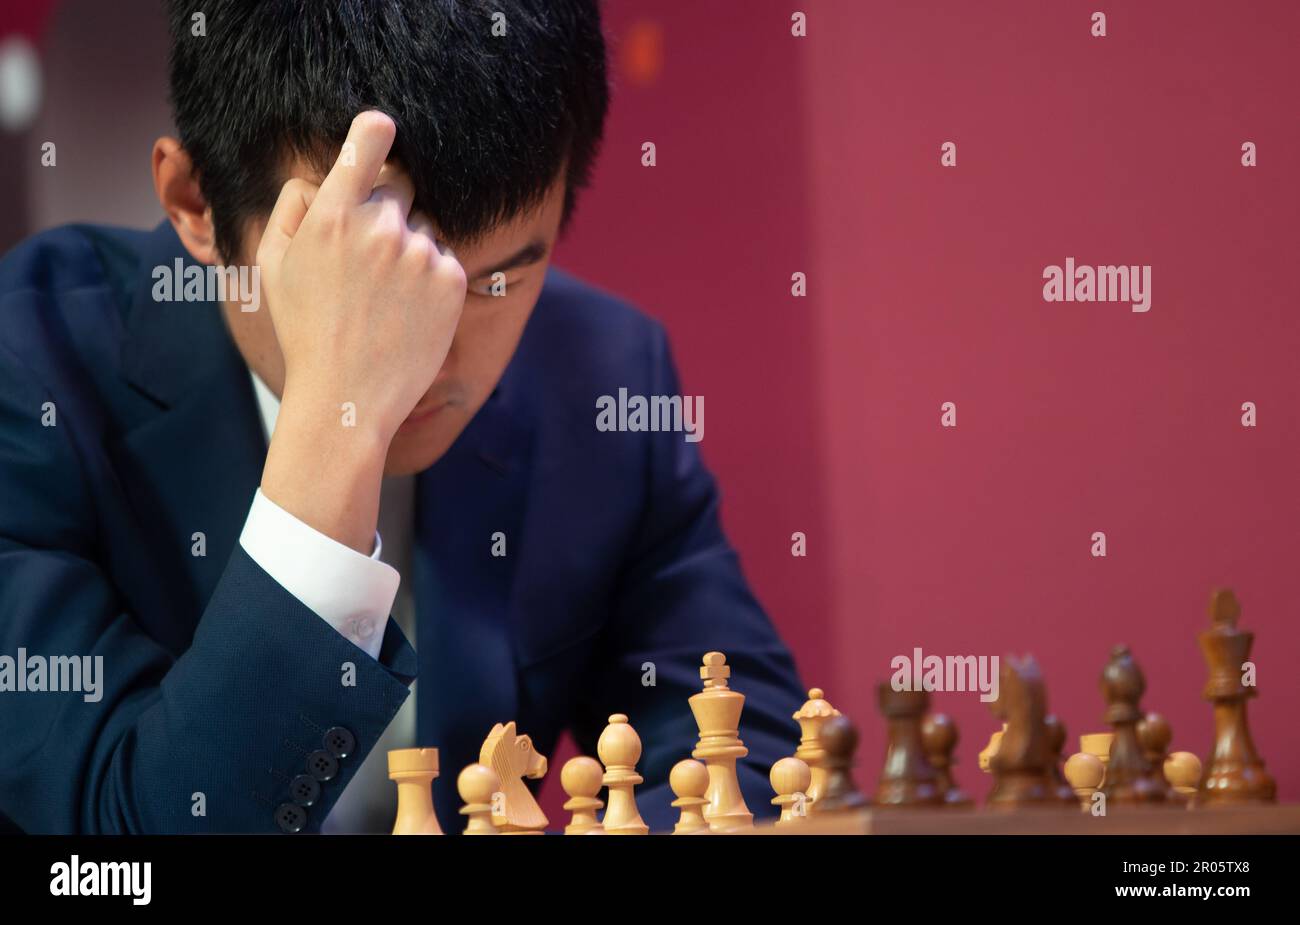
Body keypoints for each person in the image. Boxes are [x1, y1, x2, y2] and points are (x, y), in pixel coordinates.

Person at [0, 0, 802, 834]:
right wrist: (339, 428)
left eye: (494, 282)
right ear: (195, 201)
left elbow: (744, 750)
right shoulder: (30, 370)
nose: (429, 352)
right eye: (360, 271)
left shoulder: (600, 378)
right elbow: (118, 849)